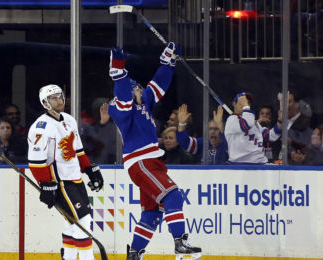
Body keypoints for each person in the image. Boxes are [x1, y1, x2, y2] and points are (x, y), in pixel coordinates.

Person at [107, 44, 202, 260]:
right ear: (131, 91)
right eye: (137, 89)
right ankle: (180, 242)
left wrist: (167, 61)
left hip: (150, 162)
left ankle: (134, 254)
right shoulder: (121, 108)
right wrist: (119, 72)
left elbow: (158, 85)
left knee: (152, 213)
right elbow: (121, 96)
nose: (142, 91)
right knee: (173, 195)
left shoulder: (144, 103)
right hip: (141, 162)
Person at [27, 84, 104, 260]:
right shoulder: (41, 127)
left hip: (75, 179)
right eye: (53, 98)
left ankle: (68, 257)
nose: (59, 100)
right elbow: (36, 161)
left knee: (72, 223)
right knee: (82, 220)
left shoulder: (69, 119)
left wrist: (89, 169)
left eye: (60, 96)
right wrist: (46, 184)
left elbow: (78, 150)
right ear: (45, 103)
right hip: (59, 182)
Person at [224, 92, 282, 164]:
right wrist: (246, 107)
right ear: (234, 104)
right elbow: (246, 125)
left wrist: (280, 120)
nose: (246, 104)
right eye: (242, 102)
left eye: (248, 103)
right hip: (240, 165)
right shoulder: (232, 120)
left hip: (260, 164)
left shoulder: (254, 123)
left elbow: (271, 135)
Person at [81, 98, 117, 164]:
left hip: (109, 168)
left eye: (104, 110)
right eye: (97, 110)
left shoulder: (115, 129)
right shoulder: (86, 128)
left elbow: (113, 153)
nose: (99, 113)